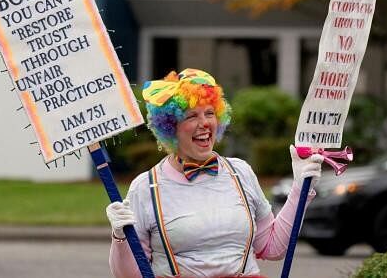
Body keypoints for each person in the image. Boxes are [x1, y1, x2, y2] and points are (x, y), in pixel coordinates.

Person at [107, 68, 323, 278]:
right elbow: (131, 275)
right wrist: (120, 237)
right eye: (191, 116)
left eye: (210, 113)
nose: (204, 123)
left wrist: (301, 188)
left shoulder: (240, 172)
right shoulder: (146, 187)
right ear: (171, 126)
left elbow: (272, 248)